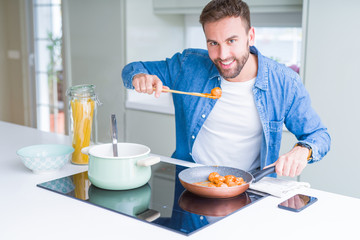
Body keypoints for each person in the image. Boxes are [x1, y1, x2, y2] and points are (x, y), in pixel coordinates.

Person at [121, 0, 331, 178]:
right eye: (213, 43)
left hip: (250, 188)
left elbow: (319, 135)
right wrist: (140, 77)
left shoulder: (284, 82)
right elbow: (132, 69)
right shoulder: (188, 65)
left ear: (250, 37)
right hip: (191, 182)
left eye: (232, 41)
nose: (222, 54)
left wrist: (303, 150)